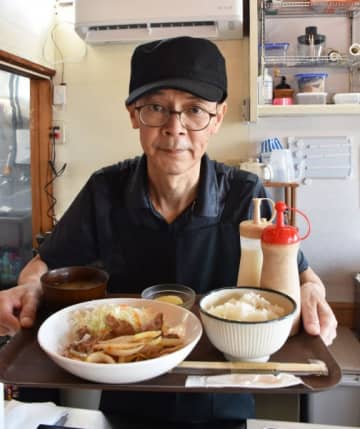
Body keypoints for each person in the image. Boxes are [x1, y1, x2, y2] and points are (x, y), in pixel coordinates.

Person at [0, 36, 337, 427]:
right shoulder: (105, 190)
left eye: (194, 110)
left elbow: (302, 276)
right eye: (157, 108)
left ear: (217, 117)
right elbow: (46, 264)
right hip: (127, 392)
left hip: (222, 396)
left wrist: (314, 292)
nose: (174, 129)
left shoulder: (245, 194)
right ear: (133, 114)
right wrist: (29, 287)